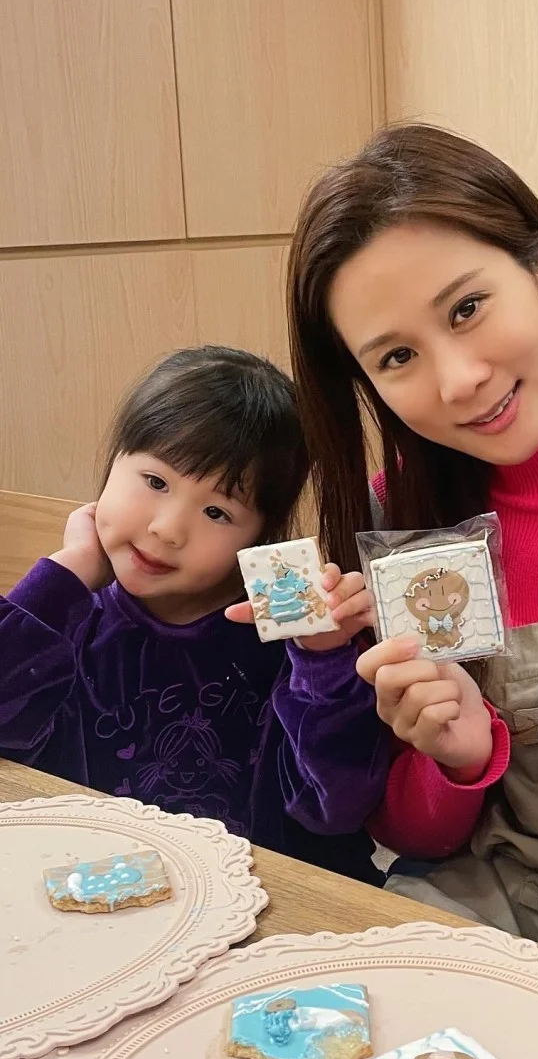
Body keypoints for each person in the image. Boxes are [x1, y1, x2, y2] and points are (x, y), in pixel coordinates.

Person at [286, 121, 538, 963]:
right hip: (501, 932)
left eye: (467, 309)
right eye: (397, 357)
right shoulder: (405, 519)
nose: (459, 380)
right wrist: (455, 758)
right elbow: (415, 837)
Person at [0, 347, 387, 880]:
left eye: (216, 512)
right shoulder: (66, 616)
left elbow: (336, 807)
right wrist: (64, 574)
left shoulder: (286, 640)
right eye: (156, 482)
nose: (167, 529)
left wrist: (323, 660)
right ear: (113, 464)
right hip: (90, 887)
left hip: (256, 899)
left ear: (260, 535)